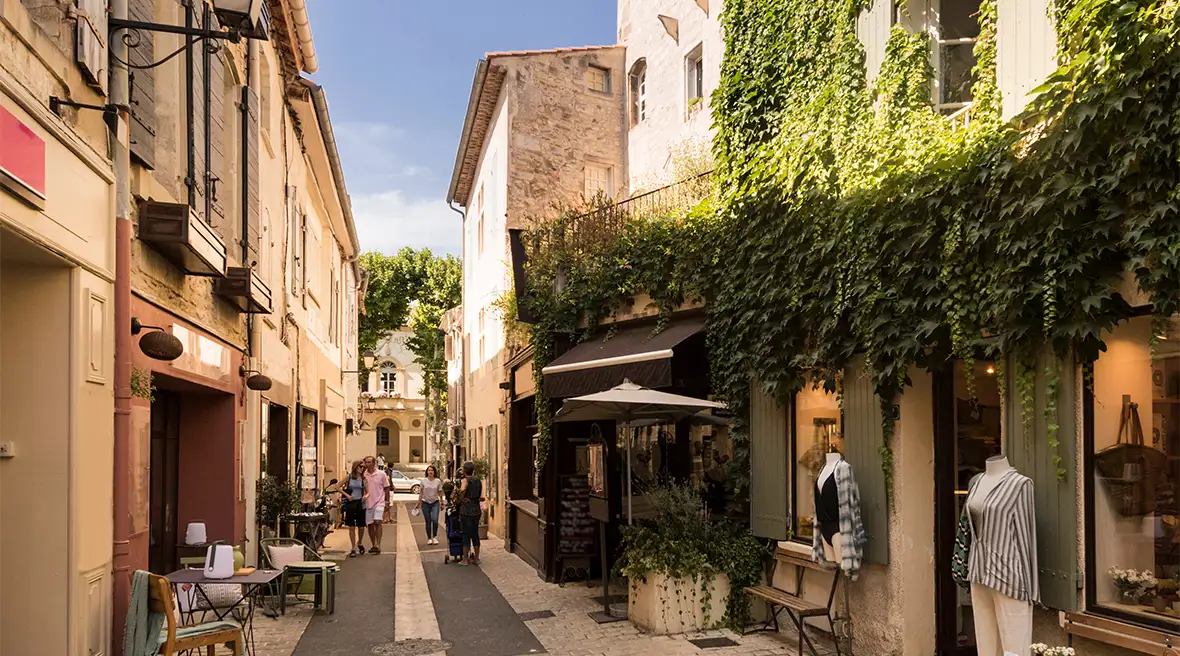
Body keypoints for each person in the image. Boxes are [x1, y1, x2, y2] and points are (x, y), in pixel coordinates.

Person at [457, 460, 482, 565]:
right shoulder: (478, 480)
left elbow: (462, 490)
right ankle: (476, 558)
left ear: (464, 471)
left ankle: (465, 560)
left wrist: (461, 497)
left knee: (466, 534)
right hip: (476, 509)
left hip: (466, 510)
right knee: (475, 533)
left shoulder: (465, 480)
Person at [363, 456, 390, 554]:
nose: (367, 464)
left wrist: (387, 501)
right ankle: (373, 544)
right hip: (368, 503)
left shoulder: (381, 474)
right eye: (366, 462)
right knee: (370, 524)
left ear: (374, 463)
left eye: (369, 462)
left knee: (377, 521)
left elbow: (386, 488)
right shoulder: (363, 474)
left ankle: (378, 544)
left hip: (379, 501)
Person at [341, 461, 367, 556]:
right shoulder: (349, 477)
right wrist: (347, 495)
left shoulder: (363, 479)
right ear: (356, 467)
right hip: (351, 503)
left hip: (360, 503)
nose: (362, 469)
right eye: (360, 467)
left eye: (364, 467)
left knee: (361, 526)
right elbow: (337, 486)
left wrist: (365, 496)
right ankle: (353, 547)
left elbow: (368, 491)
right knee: (351, 526)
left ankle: (360, 542)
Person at [417, 464, 444, 545]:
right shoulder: (423, 481)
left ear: (434, 472)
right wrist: (418, 503)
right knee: (428, 521)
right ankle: (429, 538)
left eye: (432, 470)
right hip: (425, 503)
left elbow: (440, 492)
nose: (430, 472)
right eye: (429, 470)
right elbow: (421, 493)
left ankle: (435, 537)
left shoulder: (438, 481)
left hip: (435, 502)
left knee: (435, 520)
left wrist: (442, 502)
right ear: (427, 472)